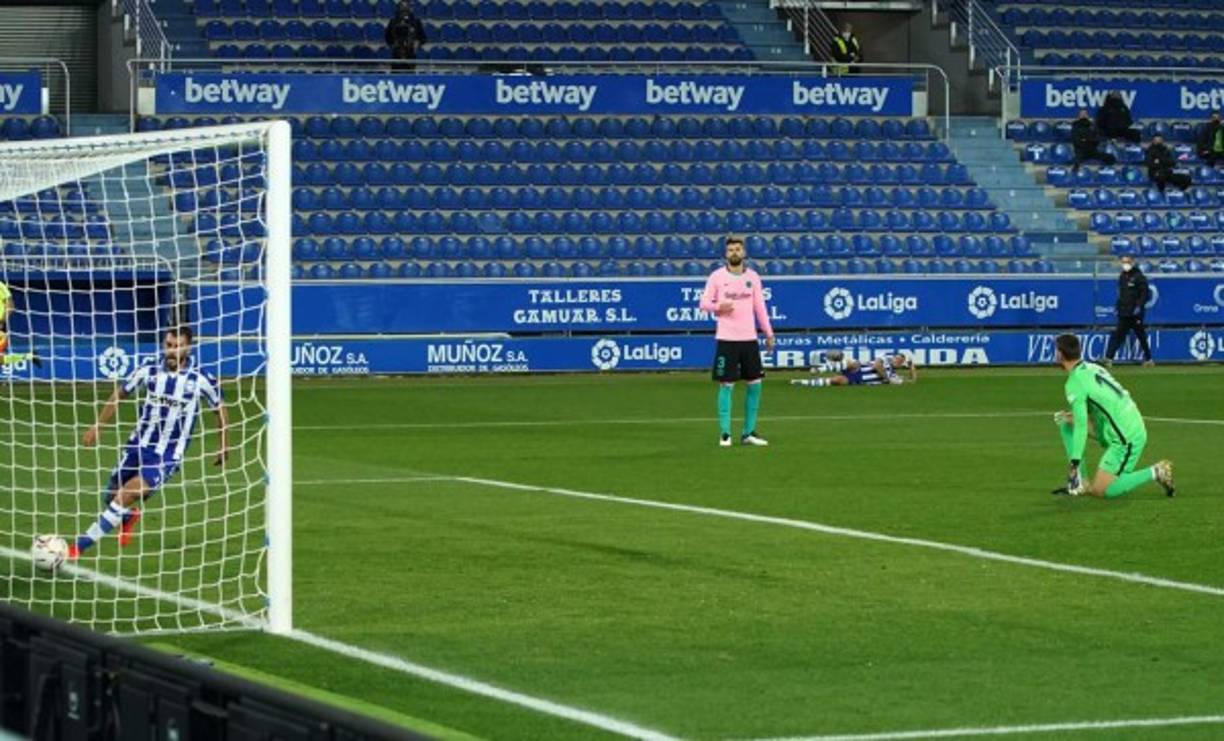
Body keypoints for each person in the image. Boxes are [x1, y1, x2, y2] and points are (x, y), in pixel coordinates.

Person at [70, 326, 228, 559]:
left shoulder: (201, 378)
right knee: (111, 497)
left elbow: (220, 408)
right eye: (169, 345)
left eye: (178, 346)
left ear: (188, 348)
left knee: (127, 494)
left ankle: (79, 546)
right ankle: (128, 516)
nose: (172, 350)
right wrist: (98, 426)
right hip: (137, 445)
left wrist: (224, 444)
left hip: (167, 455)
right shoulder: (149, 368)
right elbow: (120, 394)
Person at [1051, 333, 1174, 499]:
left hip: (1126, 436)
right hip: (1119, 423)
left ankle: (1156, 471)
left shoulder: (1075, 383)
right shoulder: (1093, 367)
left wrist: (1074, 463)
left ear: (1060, 354)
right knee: (1065, 420)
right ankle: (1081, 482)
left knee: (1102, 490)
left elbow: (1081, 426)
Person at [699, 237, 775, 447]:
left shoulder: (753, 277)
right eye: (731, 249)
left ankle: (748, 432)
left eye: (738, 249)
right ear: (726, 254)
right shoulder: (717, 277)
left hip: (749, 339)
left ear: (744, 253)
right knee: (726, 385)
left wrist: (768, 333)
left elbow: (760, 308)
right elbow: (703, 303)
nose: (734, 252)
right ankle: (725, 433)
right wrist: (719, 306)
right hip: (727, 339)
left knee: (755, 384)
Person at [1103, 255, 1153, 367]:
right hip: (1124, 312)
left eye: (1127, 262)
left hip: (1135, 314)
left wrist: (1139, 306)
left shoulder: (1139, 277)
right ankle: (1109, 358)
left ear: (1132, 262)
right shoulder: (1122, 276)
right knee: (1118, 335)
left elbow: (1145, 294)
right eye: (1123, 262)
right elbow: (1121, 294)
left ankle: (1149, 358)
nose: (1125, 264)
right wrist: (1118, 307)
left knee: (1141, 336)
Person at [790, 352, 916, 387]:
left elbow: (911, 381)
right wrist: (885, 378)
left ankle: (802, 382)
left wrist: (912, 367)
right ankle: (819, 369)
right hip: (860, 367)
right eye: (896, 358)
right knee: (852, 363)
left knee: (837, 380)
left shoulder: (894, 375)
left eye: (899, 361)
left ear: (901, 365)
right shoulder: (884, 358)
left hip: (860, 379)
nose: (896, 360)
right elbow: (877, 366)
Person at [0, 280, 41, 369]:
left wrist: (2, 321)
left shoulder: (1, 286)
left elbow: (10, 306)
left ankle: (30, 356)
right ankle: (29, 356)